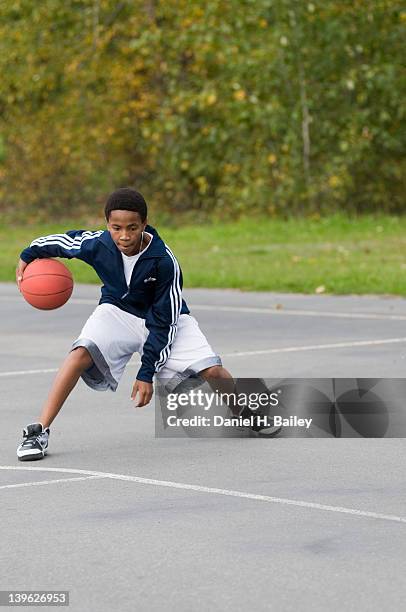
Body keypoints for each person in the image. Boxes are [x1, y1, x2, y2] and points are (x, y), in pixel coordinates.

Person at [16, 188, 279, 460]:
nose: (124, 236)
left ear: (144, 223)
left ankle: (243, 413)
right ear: (107, 225)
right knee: (80, 353)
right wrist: (28, 254)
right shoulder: (98, 244)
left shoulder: (164, 261)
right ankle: (39, 430)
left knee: (213, 371)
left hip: (165, 319)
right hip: (117, 312)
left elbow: (164, 321)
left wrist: (145, 373)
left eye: (132, 227)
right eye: (116, 228)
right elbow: (61, 242)